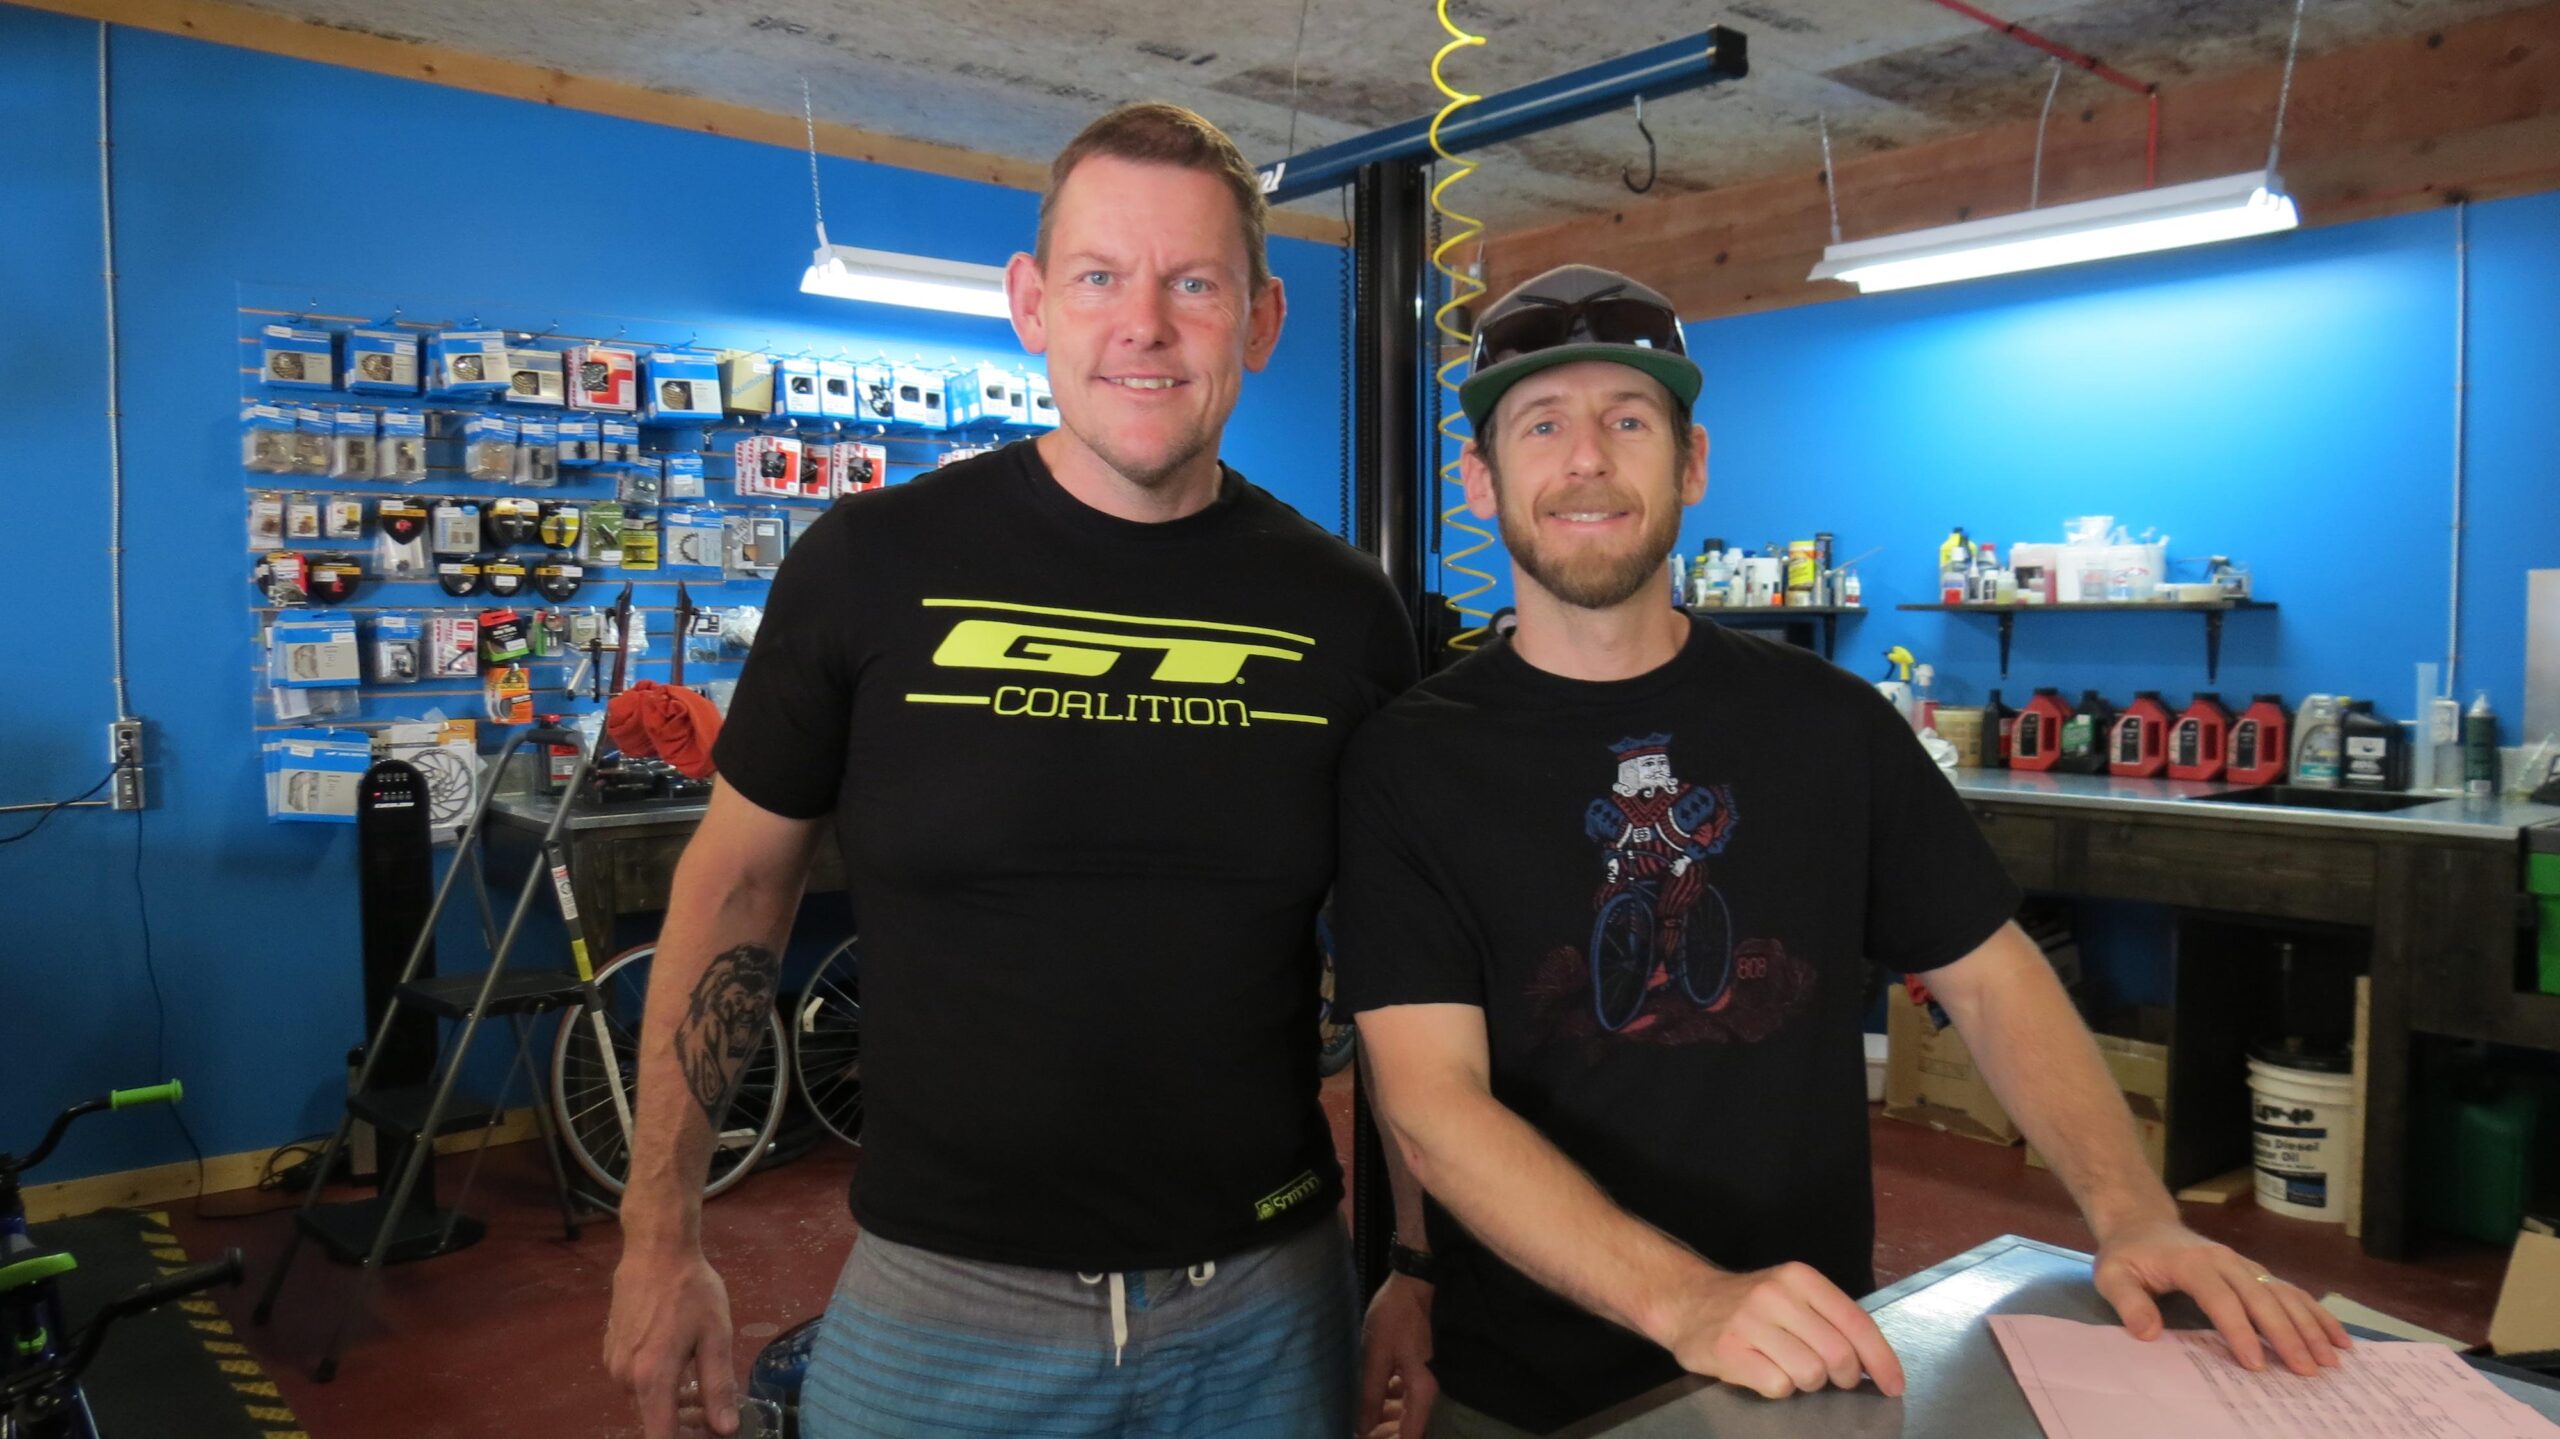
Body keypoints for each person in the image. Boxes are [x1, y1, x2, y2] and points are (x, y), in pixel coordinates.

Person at [1334, 264, 2352, 1437]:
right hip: (1520, 1387)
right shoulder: (1412, 759)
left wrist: (2134, 1213)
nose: (1587, 460)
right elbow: (1432, 1098)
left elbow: (1990, 972)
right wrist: (1680, 1296)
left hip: (1815, 1367)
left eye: (1628, 421)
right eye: (1542, 425)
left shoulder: (1827, 722)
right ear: (1479, 479)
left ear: (1692, 462)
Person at [603, 102, 1429, 1439]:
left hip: (1267, 1315)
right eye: (1100, 276)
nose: (1143, 325)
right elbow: (737, 888)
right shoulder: (869, 565)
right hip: (937, 1315)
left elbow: (1410, 968)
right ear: (1032, 303)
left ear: (1262, 320)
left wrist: (1421, 1264)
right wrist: (660, 1235)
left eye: (1193, 283)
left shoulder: (1344, 613)